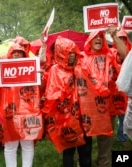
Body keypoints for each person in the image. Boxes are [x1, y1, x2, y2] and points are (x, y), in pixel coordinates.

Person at [74, 28, 126, 167]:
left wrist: (114, 35)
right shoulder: (82, 57)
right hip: (87, 109)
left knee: (105, 142)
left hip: (107, 106)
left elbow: (126, 55)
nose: (98, 39)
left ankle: (104, 164)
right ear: (89, 40)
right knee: (85, 143)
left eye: (101, 36)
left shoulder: (110, 54)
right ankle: (83, 164)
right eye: (95, 36)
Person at [0, 43, 43, 167]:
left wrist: (41, 77)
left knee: (27, 143)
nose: (17, 54)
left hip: (28, 112)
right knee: (10, 143)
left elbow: (42, 88)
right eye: (14, 52)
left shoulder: (32, 67)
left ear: (24, 54)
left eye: (20, 52)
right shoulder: (0, 68)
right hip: (9, 112)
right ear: (10, 54)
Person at [42, 36, 92, 167]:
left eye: (73, 52)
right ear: (60, 53)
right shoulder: (55, 70)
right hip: (65, 118)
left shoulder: (82, 67)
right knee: (68, 153)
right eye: (67, 52)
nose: (70, 56)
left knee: (86, 151)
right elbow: (51, 95)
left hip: (83, 117)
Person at [110, 28, 132, 148]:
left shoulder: (129, 53)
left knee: (124, 115)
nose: (121, 41)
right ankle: (108, 138)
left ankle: (122, 137)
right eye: (120, 38)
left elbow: (125, 54)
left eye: (123, 38)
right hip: (111, 92)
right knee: (111, 116)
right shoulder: (110, 53)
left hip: (125, 93)